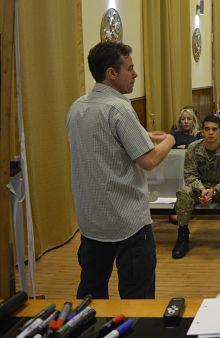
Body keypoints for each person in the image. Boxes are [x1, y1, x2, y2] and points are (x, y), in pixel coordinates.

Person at [67, 41, 175, 299]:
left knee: (91, 296)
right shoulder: (119, 108)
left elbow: (102, 143)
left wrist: (141, 134)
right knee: (138, 297)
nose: (135, 74)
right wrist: (171, 139)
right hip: (127, 221)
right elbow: (148, 161)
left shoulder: (78, 107)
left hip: (92, 221)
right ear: (111, 73)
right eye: (130, 68)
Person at [172, 115, 220, 259]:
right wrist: (203, 190)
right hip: (201, 189)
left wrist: (214, 190)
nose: (210, 132)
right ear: (202, 132)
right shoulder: (193, 148)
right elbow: (190, 176)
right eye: (207, 129)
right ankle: (182, 236)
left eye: (214, 129)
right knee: (184, 192)